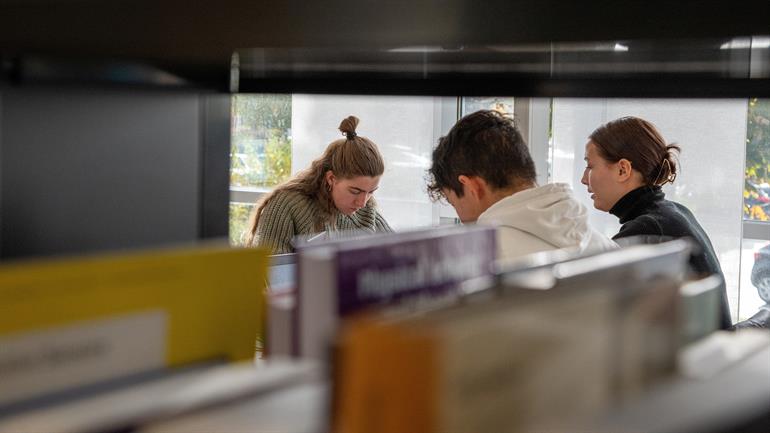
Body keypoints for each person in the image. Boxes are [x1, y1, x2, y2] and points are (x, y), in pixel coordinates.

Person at [581, 116, 732, 329]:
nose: (584, 179)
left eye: (590, 166)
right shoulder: (675, 213)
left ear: (622, 170)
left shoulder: (646, 231)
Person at [427, 110, 616, 261]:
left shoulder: (476, 263)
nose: (459, 216)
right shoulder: (606, 248)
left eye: (454, 203)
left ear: (471, 187)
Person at [245, 116, 392, 253]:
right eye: (355, 191)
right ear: (331, 179)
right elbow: (268, 276)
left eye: (371, 192)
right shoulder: (286, 205)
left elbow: (400, 259)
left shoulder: (367, 211)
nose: (362, 202)